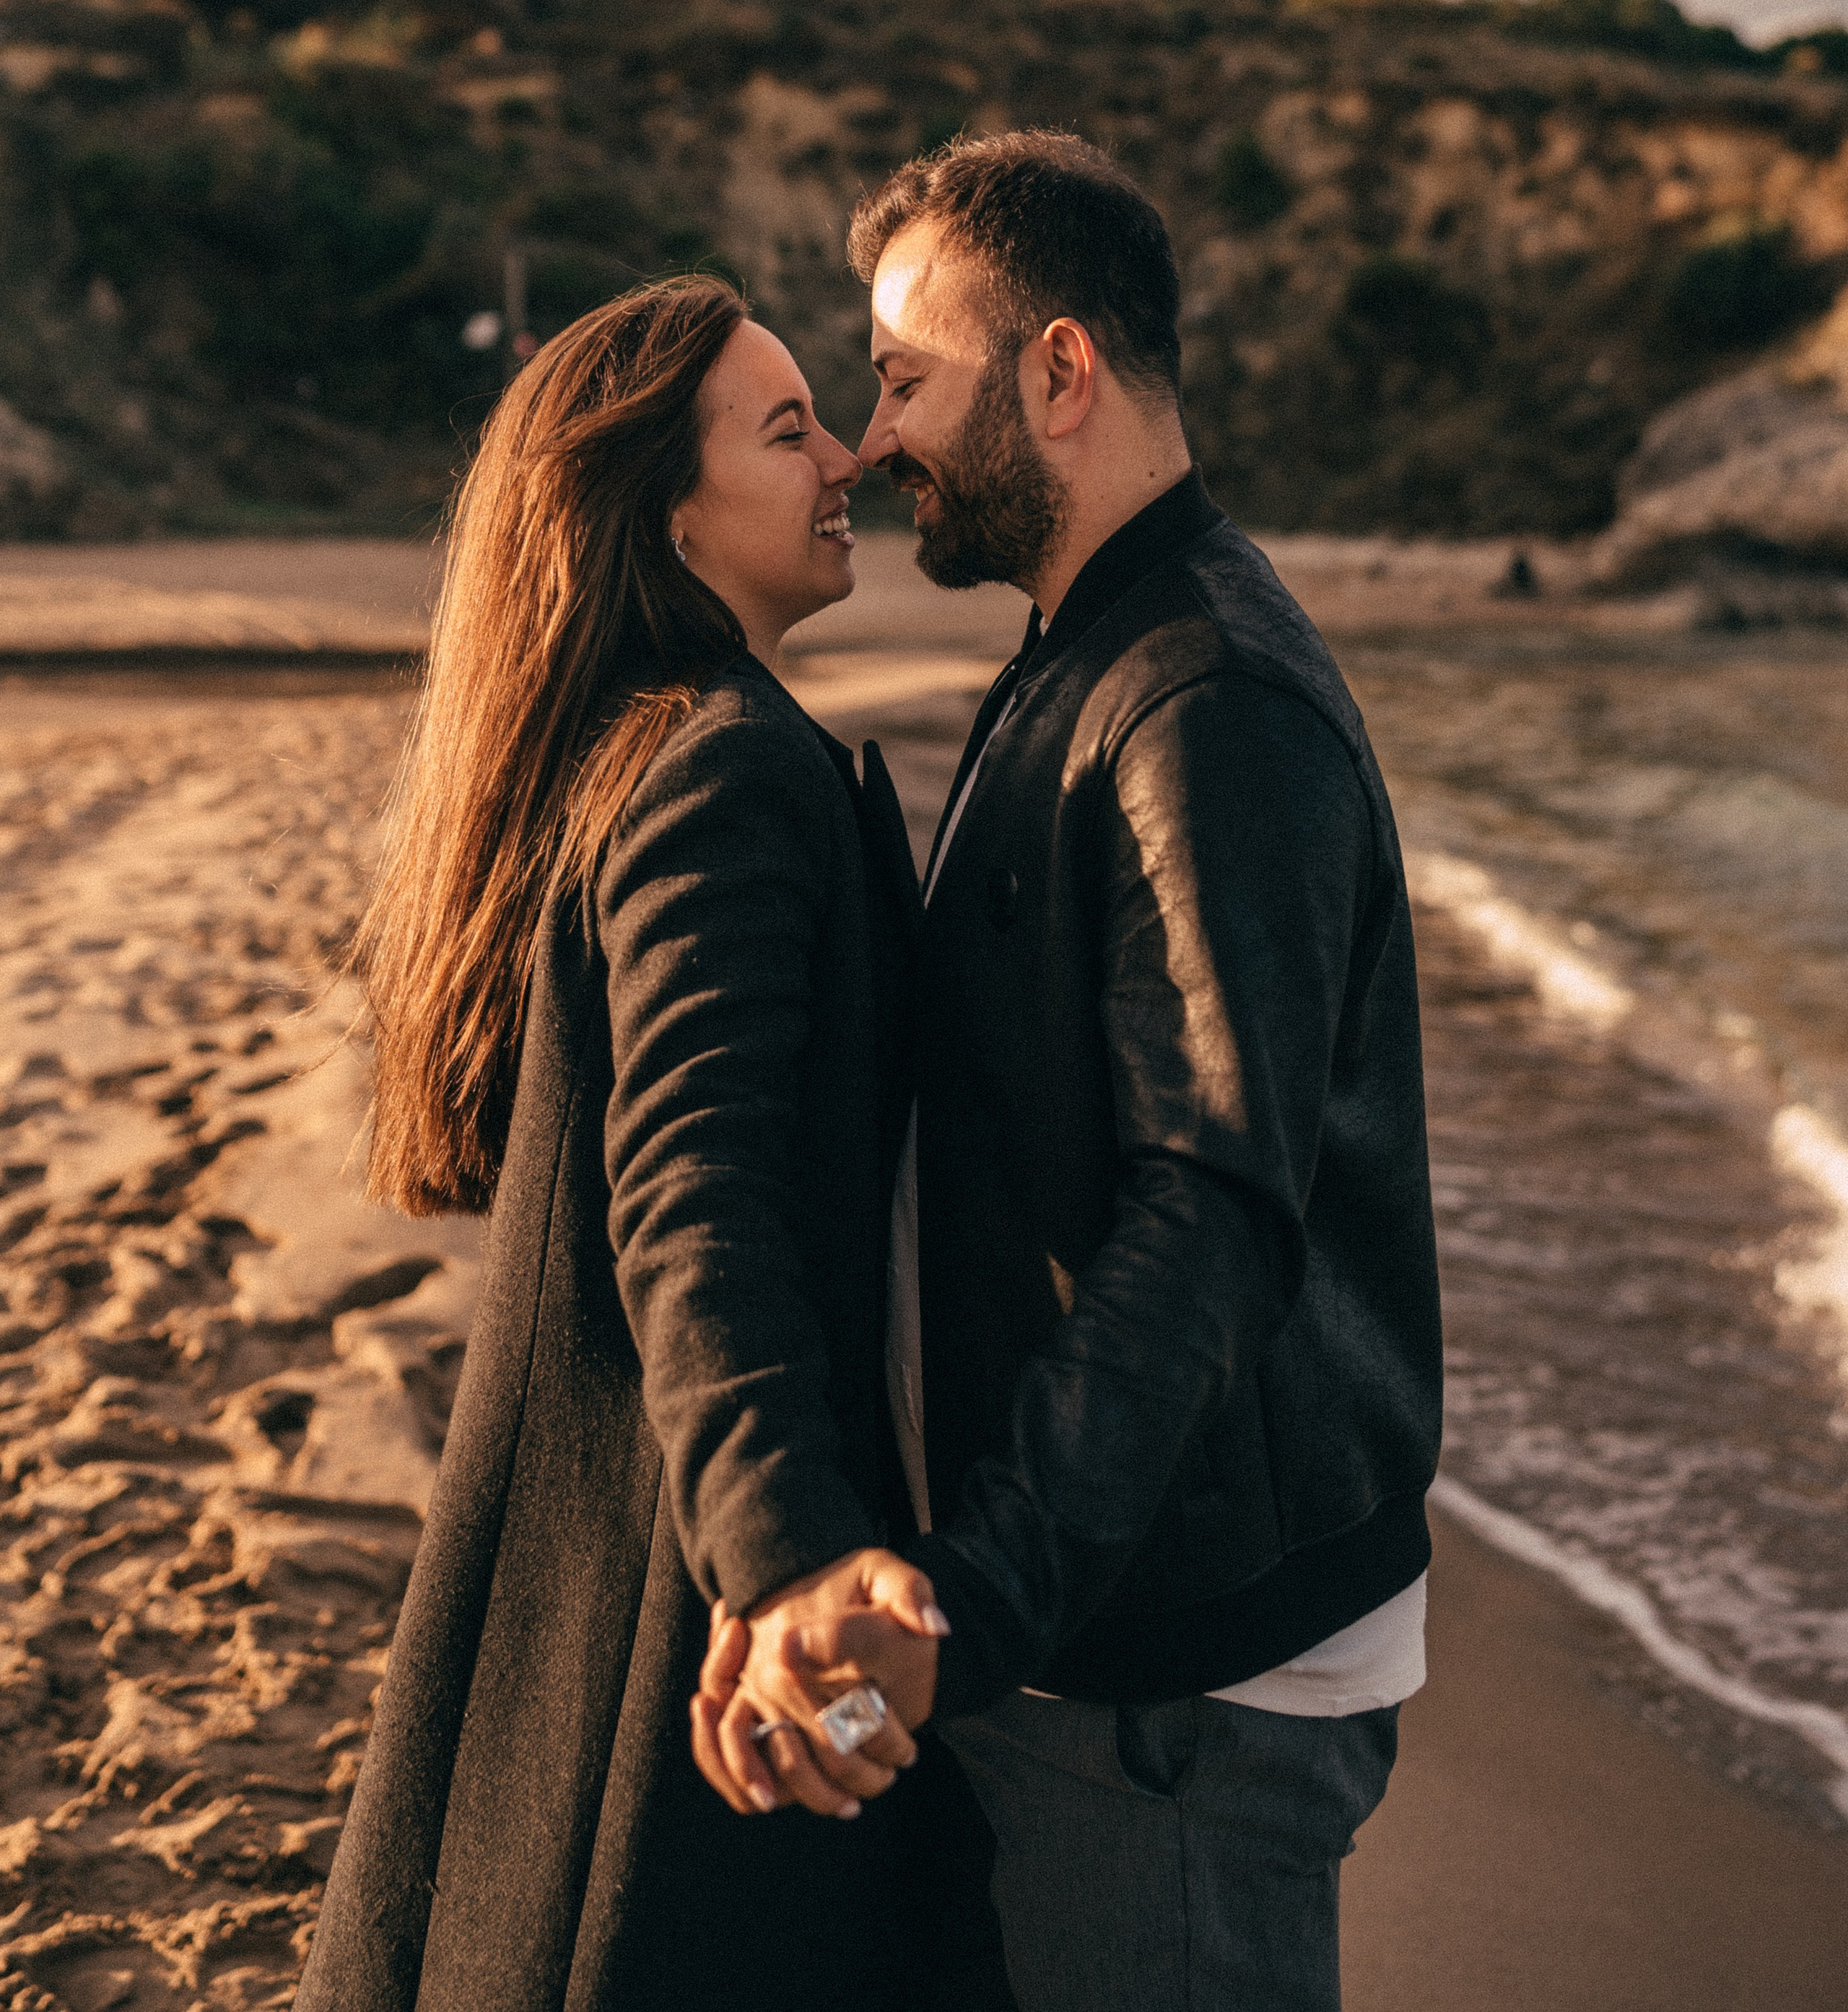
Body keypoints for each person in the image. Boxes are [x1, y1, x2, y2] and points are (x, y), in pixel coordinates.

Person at [694, 136, 1444, 2012]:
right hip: (1106, 1627)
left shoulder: (1204, 704)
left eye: (903, 380)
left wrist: (977, 1598)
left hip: (1183, 1679)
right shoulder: (1080, 653)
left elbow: (1216, 1206)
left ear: (1061, 371)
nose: (870, 442)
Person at [297, 276, 998, 2012]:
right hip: (674, 1583)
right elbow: (692, 1196)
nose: (845, 456)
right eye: (786, 431)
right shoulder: (721, 771)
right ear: (667, 512)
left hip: (617, 1529)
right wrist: (786, 1561)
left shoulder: (635, 753)